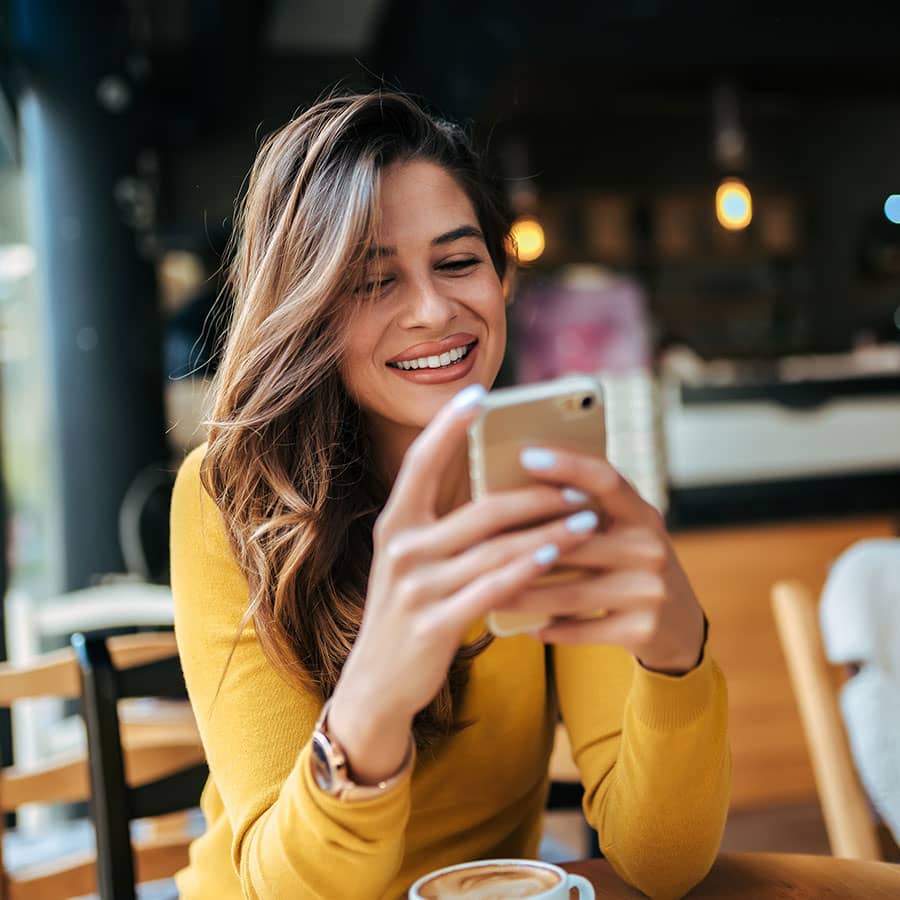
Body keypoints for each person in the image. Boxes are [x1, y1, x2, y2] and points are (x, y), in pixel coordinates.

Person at [171, 91, 731, 900]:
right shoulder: (233, 498)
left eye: (458, 261)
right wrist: (378, 692)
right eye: (372, 280)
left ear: (502, 273)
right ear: (308, 310)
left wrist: (678, 650)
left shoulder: (548, 481)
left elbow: (664, 863)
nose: (433, 310)